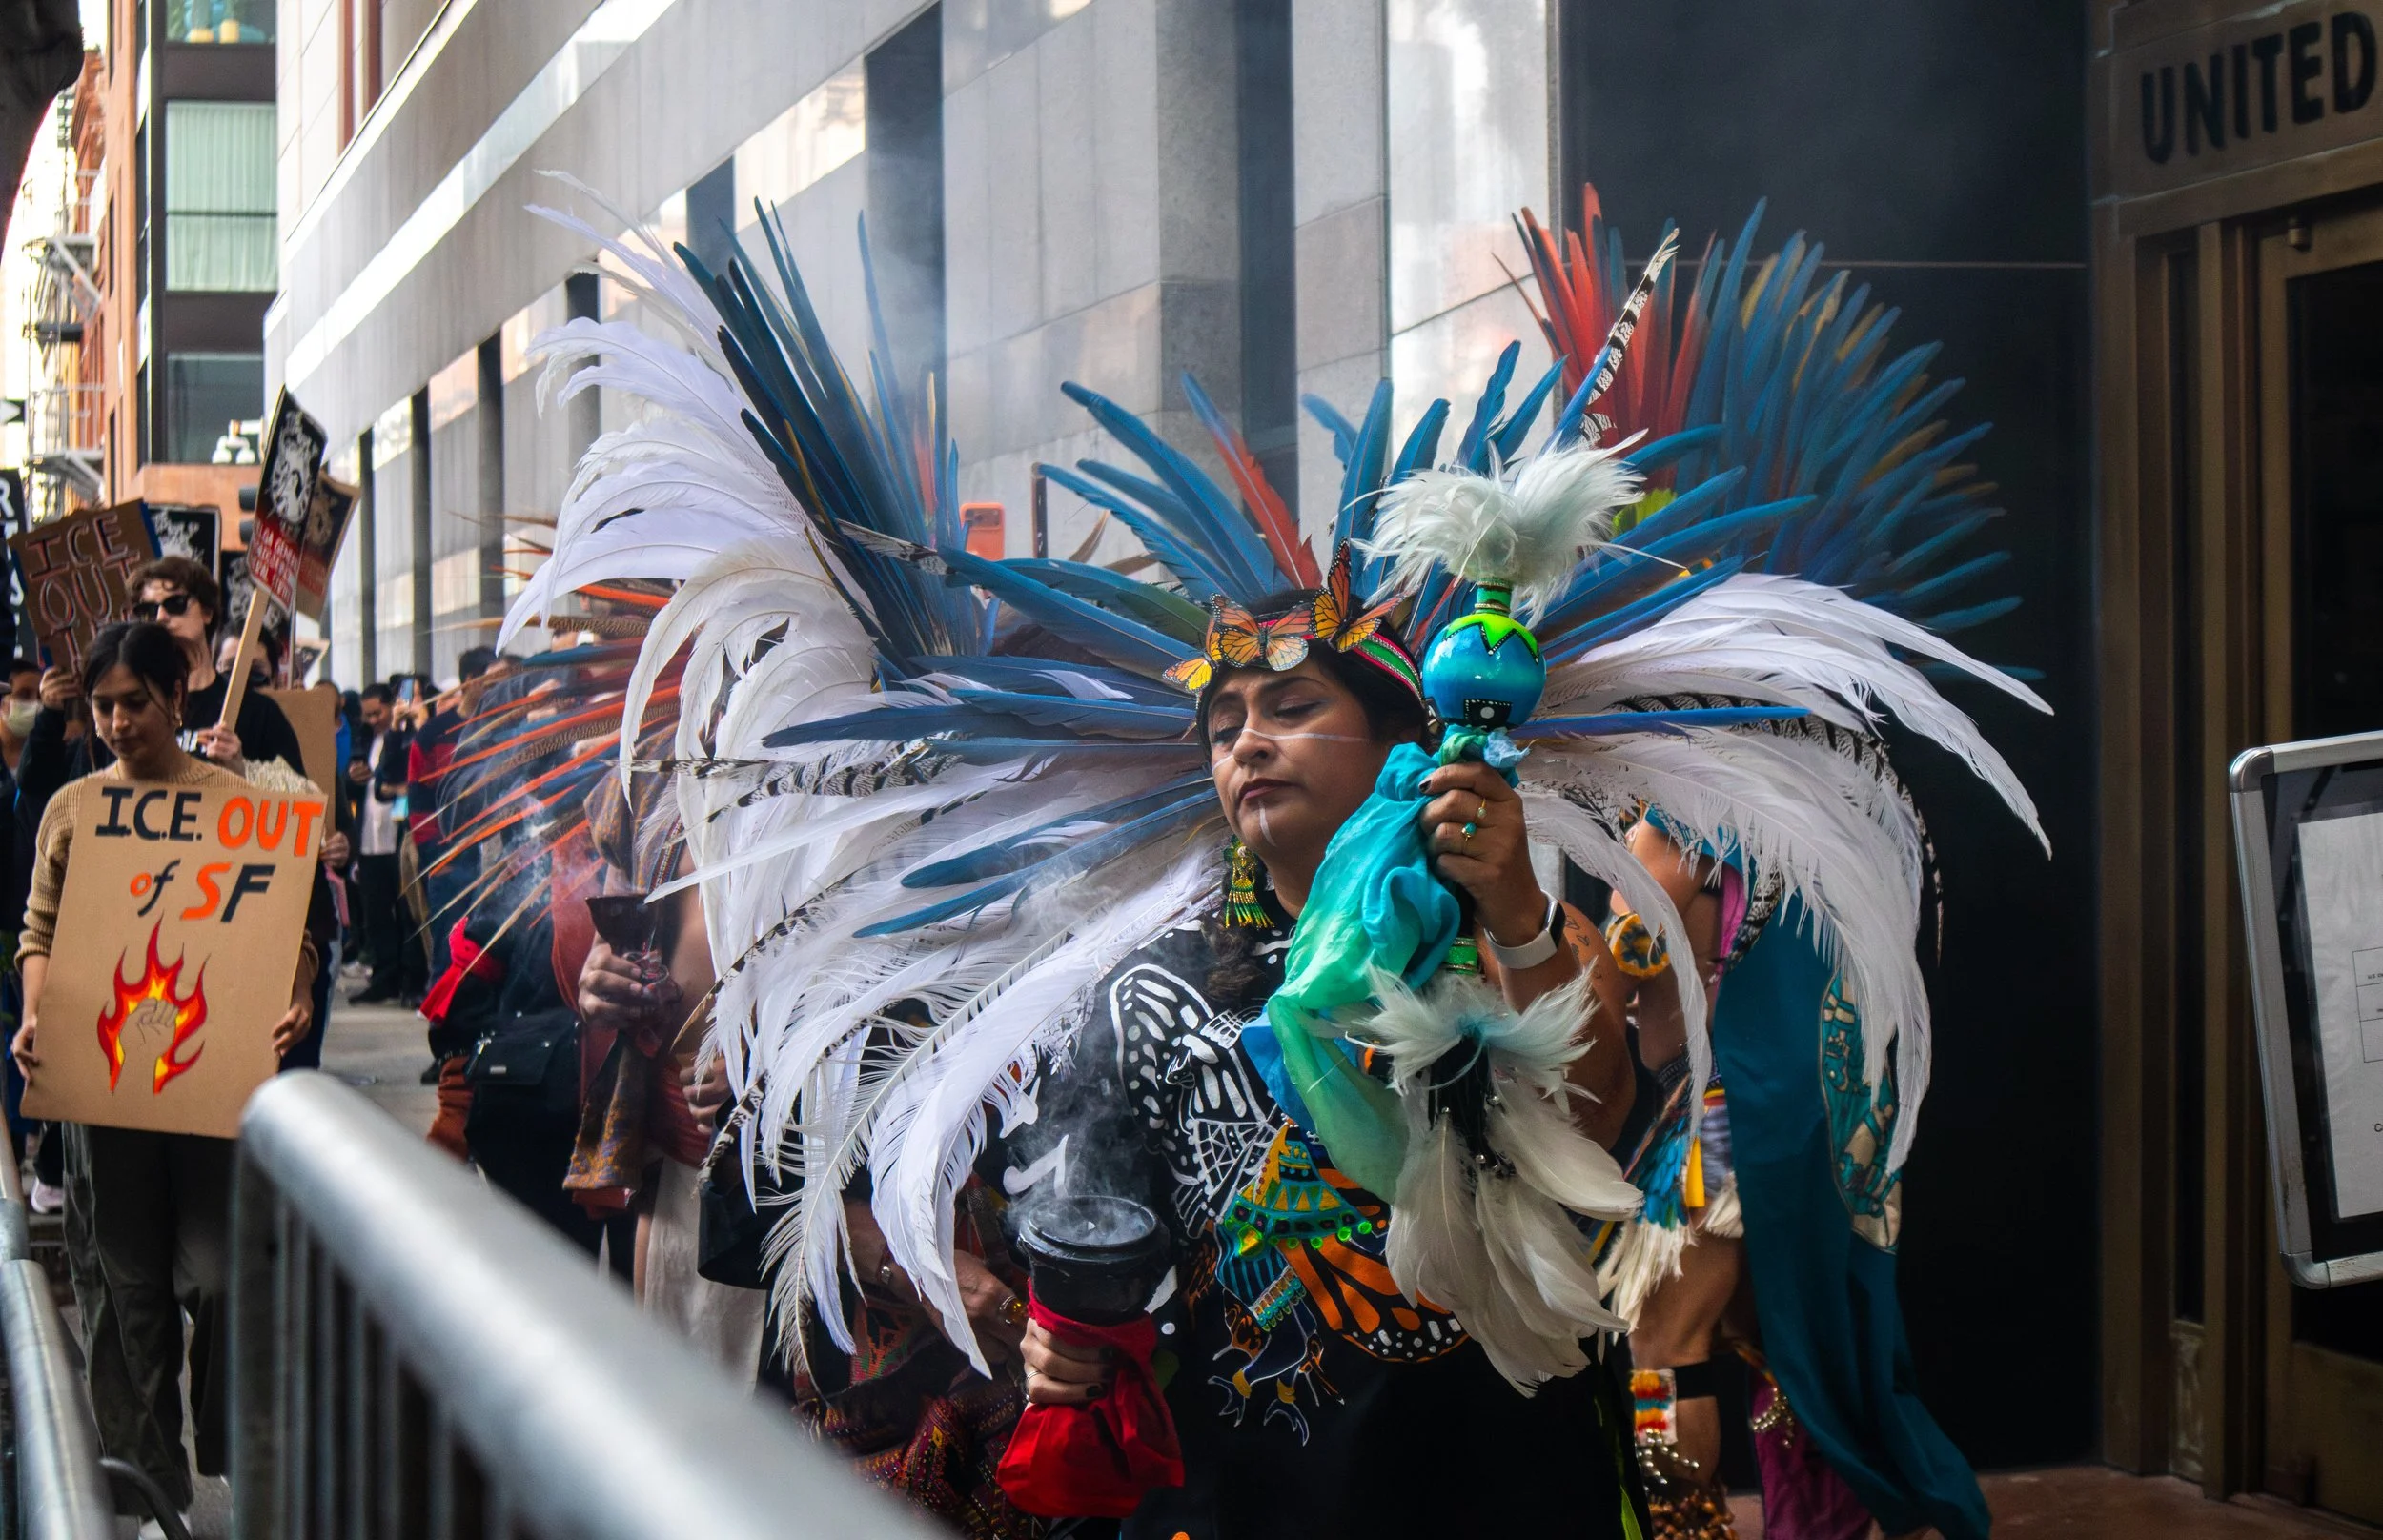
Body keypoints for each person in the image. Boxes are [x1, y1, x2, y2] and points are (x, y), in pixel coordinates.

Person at [500, 200, 2045, 1540]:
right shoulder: (1151, 994)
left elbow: (1591, 1123)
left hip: (1500, 1477)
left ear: (1398, 738)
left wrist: (1515, 908)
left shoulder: (1519, 936)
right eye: (1226, 720)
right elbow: (1089, 1237)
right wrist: (1062, 1343)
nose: (1247, 741)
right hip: (1264, 1485)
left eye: (1291, 708)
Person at [10, 621, 318, 1530]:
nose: (115, 723)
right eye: (102, 706)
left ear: (175, 699)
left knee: (221, 1280)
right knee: (124, 1295)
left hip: (211, 1097)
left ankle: (234, 1450)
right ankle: (147, 1492)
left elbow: (291, 931)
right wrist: (36, 1014)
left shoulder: (242, 804)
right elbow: (39, 931)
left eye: (133, 703)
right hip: (104, 1097)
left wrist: (297, 992)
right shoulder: (73, 810)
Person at [351, 683, 420, 1004]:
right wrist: (354, 776)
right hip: (369, 837)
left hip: (397, 835)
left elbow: (394, 781)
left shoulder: (404, 737)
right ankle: (383, 976)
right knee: (376, 912)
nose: (372, 720)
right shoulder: (365, 739)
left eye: (377, 713)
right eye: (367, 715)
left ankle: (410, 978)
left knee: (407, 912)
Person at [1, 656, 41, 775]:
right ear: (3, 702)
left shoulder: (53, 757)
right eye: (24, 695)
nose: (35, 704)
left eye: (40, 697)